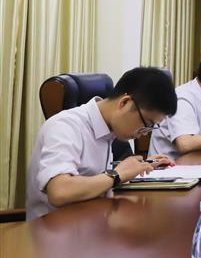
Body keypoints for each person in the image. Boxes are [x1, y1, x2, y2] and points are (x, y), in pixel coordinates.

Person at [27, 67, 177, 220]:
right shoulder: (65, 126)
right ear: (124, 102)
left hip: (92, 221)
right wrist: (117, 175)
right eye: (147, 124)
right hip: (55, 228)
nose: (144, 133)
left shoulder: (108, 130)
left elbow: (90, 174)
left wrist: (140, 166)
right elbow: (59, 191)